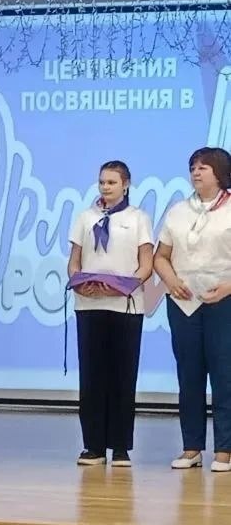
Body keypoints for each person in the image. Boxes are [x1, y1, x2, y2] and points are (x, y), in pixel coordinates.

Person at [67, 160, 153, 467]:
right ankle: (93, 446)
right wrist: (78, 282)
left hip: (125, 306)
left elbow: (146, 264)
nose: (105, 187)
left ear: (126, 185)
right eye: (102, 182)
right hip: (90, 305)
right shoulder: (85, 217)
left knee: (122, 375)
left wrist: (125, 286)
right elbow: (74, 261)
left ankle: (120, 447)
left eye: (112, 182)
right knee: (92, 376)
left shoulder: (138, 218)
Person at [154, 146, 231, 473]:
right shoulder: (178, 211)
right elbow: (160, 256)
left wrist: (227, 287)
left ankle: (225, 450)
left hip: (223, 301)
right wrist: (171, 281)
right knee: (189, 374)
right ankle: (192, 447)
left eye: (203, 167)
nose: (196, 172)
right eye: (193, 167)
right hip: (184, 303)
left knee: (225, 375)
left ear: (220, 173)